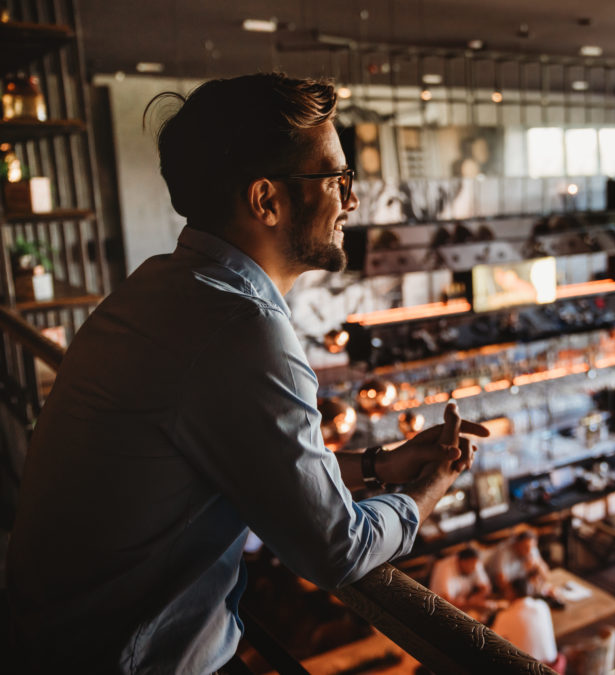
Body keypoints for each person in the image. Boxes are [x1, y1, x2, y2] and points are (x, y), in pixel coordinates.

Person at [6, 73, 489, 674]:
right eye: (336, 177)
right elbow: (337, 550)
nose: (352, 199)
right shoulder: (240, 327)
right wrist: (428, 488)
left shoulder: (160, 286)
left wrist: (376, 466)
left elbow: (246, 459)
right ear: (266, 200)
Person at [490, 578, 565, 673]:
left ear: (511, 593)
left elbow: (492, 641)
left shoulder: (505, 616)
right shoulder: (542, 606)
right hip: (553, 668)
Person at [428, 546, 493, 617]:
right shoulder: (444, 569)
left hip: (462, 607)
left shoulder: (473, 562)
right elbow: (446, 604)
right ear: (462, 562)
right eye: (471, 566)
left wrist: (475, 599)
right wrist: (472, 605)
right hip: (439, 611)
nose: (474, 569)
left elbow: (486, 587)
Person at [485, 529, 551, 598]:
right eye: (526, 548)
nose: (529, 551)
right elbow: (501, 582)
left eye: (532, 547)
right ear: (517, 544)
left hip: (520, 585)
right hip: (499, 588)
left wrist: (537, 565)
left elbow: (546, 575)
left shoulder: (530, 548)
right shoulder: (503, 553)